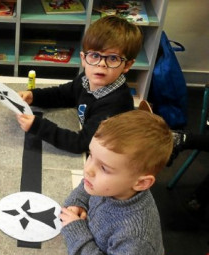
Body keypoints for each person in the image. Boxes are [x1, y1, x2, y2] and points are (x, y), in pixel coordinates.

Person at [17, 15, 143, 153]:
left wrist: (38, 126)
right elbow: (63, 94)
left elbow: (81, 143)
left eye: (113, 58)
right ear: (83, 58)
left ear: (127, 65)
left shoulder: (116, 104)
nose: (101, 64)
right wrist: (33, 96)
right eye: (95, 56)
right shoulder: (87, 79)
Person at [60, 110, 173, 255]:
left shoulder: (134, 237)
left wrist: (75, 232)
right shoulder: (113, 185)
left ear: (141, 183)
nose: (88, 170)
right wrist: (78, 202)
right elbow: (87, 184)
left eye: (104, 168)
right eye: (91, 155)